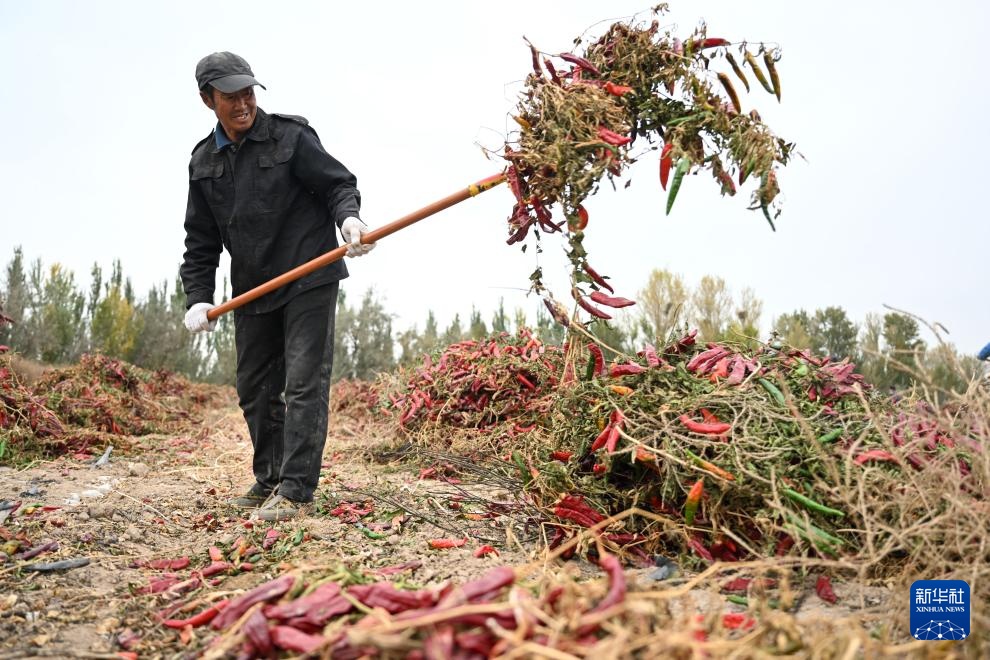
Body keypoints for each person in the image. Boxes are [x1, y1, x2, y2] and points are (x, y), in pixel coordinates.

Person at [179, 52, 376, 521]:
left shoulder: (291, 136)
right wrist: (199, 296)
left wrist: (349, 218)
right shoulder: (203, 162)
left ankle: (295, 491)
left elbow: (337, 185)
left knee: (304, 382)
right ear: (208, 100)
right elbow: (201, 239)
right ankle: (269, 478)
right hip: (253, 287)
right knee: (255, 389)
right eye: (231, 96)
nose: (243, 103)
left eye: (248, 92)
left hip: (309, 274)